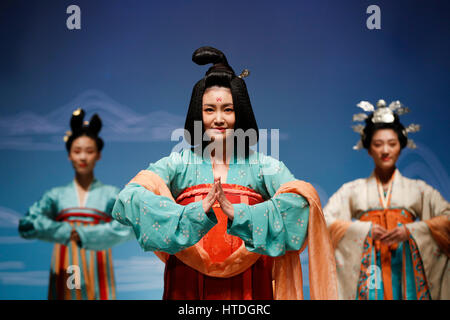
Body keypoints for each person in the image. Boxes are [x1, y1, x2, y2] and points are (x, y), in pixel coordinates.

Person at [111, 46, 337, 300]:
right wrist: (193, 215)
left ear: (240, 113)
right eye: (209, 110)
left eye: (228, 109)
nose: (218, 119)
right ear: (198, 113)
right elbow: (128, 199)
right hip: (186, 283)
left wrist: (239, 214)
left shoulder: (263, 167)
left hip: (250, 283)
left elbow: (303, 205)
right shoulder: (179, 164)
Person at [323, 99, 450, 300]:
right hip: (369, 273)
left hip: (406, 271)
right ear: (368, 148)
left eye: (392, 144)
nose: (385, 151)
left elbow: (447, 219)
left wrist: (411, 231)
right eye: (378, 144)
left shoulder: (418, 189)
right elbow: (324, 223)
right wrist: (364, 230)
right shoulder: (352, 190)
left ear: (401, 146)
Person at [18, 109, 134, 300]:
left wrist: (86, 234)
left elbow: (130, 224)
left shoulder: (111, 194)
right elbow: (27, 224)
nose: (82, 157)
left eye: (89, 151)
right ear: (69, 155)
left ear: (98, 155)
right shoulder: (56, 195)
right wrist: (63, 231)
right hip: (65, 263)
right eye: (77, 151)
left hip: (98, 262)